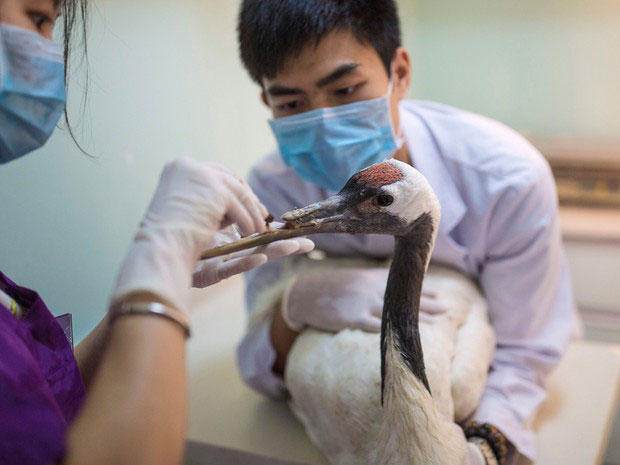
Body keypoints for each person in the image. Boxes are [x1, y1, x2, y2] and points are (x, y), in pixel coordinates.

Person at [235, 1, 581, 464]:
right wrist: (291, 306)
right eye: (292, 104)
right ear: (267, 103)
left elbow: (524, 355)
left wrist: (488, 445)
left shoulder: (507, 181)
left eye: (344, 89)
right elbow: (258, 366)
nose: (324, 124)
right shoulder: (273, 187)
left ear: (399, 72)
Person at [0, 1, 314, 464]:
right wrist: (157, 273)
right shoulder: (272, 176)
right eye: (39, 19)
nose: (48, 52)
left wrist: (162, 276)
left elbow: (50, 392)